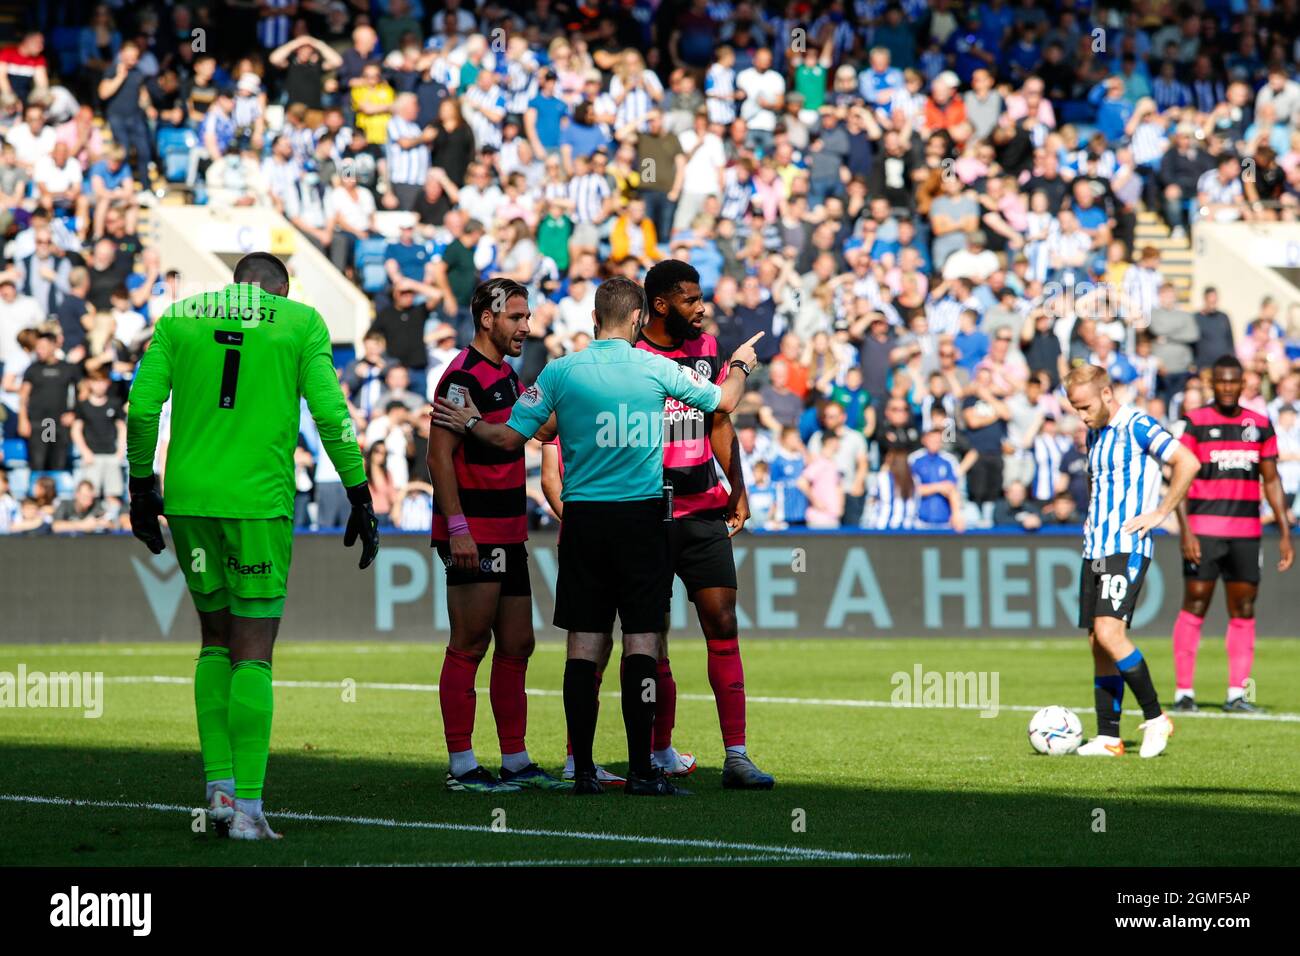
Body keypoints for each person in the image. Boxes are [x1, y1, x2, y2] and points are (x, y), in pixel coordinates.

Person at [432, 276, 761, 797]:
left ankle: (581, 770)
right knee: (642, 643)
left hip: (583, 522)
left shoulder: (560, 371)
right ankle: (643, 771)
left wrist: (470, 423)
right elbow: (724, 400)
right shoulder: (656, 367)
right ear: (636, 320)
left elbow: (508, 438)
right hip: (641, 518)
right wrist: (740, 363)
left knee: (583, 645)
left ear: (593, 320)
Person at [126, 252, 379, 841]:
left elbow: (142, 408)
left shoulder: (179, 316)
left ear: (235, 284)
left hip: (188, 499)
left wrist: (142, 487)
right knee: (255, 648)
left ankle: (218, 790)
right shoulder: (299, 321)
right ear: (280, 288)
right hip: (257, 503)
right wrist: (359, 491)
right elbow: (331, 414)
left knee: (214, 639)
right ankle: (249, 810)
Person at [634, 259, 774, 788]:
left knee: (723, 624)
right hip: (645, 513)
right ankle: (660, 750)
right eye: (691, 300)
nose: (703, 308)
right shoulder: (632, 355)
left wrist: (739, 487)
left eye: (702, 297)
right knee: (653, 639)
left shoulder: (707, 348)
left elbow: (719, 420)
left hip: (702, 511)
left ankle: (736, 756)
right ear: (662, 304)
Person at [426, 277, 566, 794]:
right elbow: (438, 457)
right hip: (475, 530)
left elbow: (542, 429)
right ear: (488, 318)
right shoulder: (461, 376)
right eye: (517, 317)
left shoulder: (506, 375)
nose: (525, 327)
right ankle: (462, 764)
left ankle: (516, 759)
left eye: (527, 318)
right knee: (469, 642)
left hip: (507, 530)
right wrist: (457, 527)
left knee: (518, 642)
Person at [1064, 364, 1199, 759]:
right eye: (1075, 408)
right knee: (1097, 641)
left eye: (1085, 406)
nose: (1081, 415)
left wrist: (1161, 513)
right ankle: (1109, 737)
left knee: (1110, 633)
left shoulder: (1138, 424)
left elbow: (1187, 462)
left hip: (1125, 545)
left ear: (1106, 394)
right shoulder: (1095, 433)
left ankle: (1157, 718)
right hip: (1095, 548)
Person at [1171, 356, 1294, 713]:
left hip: (1246, 533)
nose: (1226, 387)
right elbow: (1180, 478)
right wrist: (1186, 530)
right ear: (1213, 384)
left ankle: (1238, 694)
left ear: (1243, 384)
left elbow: (1271, 480)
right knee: (1195, 603)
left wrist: (1284, 531)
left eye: (1232, 382)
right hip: (1204, 531)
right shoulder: (1195, 423)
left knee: (1243, 608)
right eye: (1220, 382)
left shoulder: (1259, 425)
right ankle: (1183, 693)